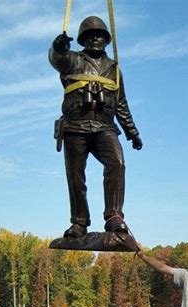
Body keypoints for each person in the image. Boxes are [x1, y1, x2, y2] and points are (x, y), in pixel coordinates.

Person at [49, 16, 142, 238]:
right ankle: (79, 222)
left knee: (117, 163)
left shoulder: (114, 69)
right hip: (75, 125)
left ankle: (114, 216)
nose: (95, 39)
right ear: (82, 40)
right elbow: (57, 58)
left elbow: (121, 104)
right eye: (89, 36)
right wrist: (58, 46)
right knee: (75, 175)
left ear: (107, 40)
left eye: (99, 35)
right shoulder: (71, 59)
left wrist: (132, 132)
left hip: (104, 126)